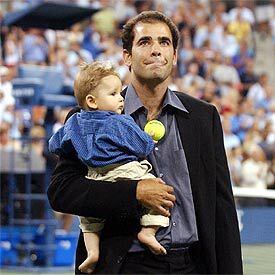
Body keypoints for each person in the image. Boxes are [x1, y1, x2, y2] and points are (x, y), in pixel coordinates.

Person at [47, 11, 243, 274]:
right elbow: (62, 192)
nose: (156, 50)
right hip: (125, 265)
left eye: (164, 43)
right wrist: (134, 192)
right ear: (127, 56)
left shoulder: (203, 117)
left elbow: (222, 208)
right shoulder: (87, 119)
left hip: (192, 264)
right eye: (144, 42)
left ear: (174, 56)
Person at [48, 62, 169, 273]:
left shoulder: (74, 123)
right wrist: (149, 138)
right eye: (113, 94)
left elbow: (55, 144)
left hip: (94, 176)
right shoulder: (118, 121)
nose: (121, 98)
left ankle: (93, 252)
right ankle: (149, 231)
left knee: (89, 220)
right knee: (157, 188)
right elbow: (142, 146)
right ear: (92, 101)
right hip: (124, 171)